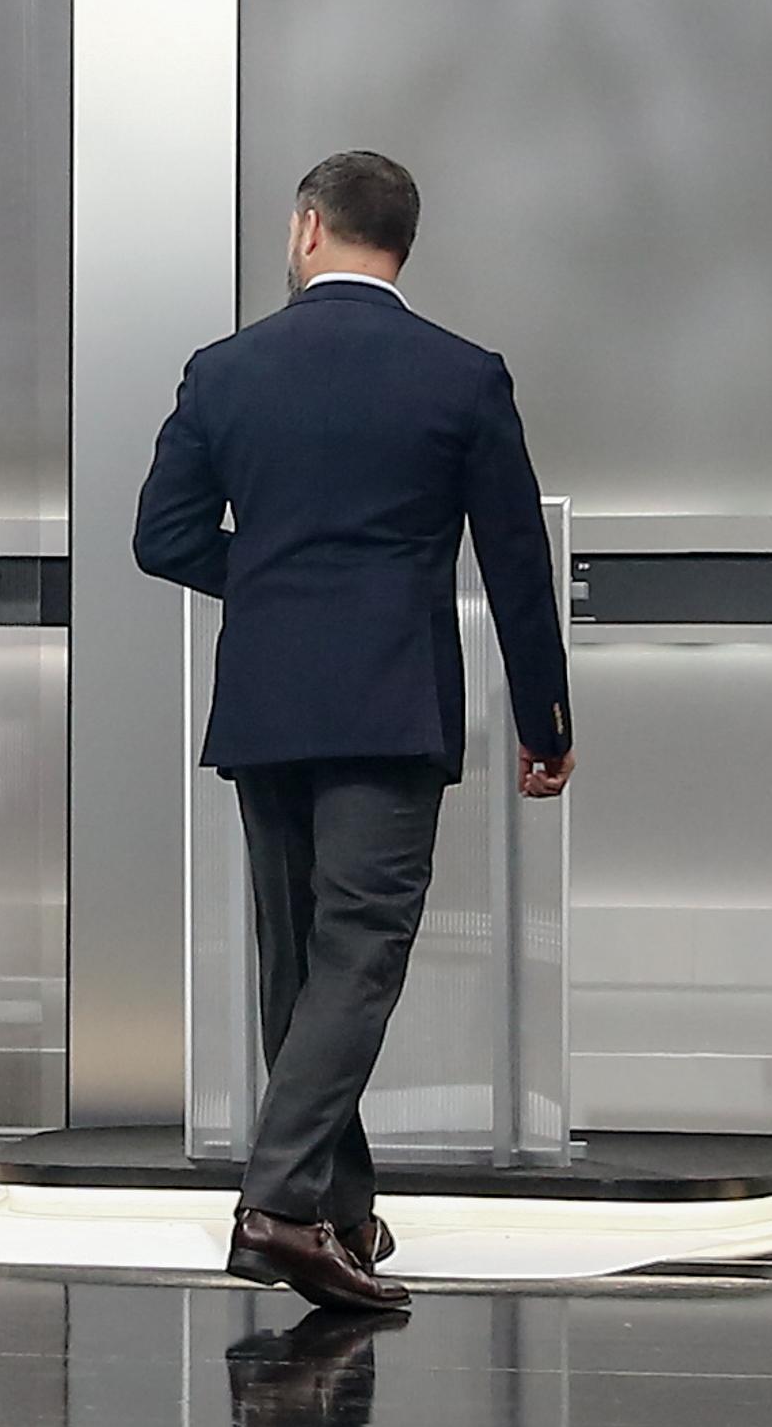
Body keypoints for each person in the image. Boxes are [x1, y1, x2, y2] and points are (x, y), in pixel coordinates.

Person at [133, 150, 572, 1315]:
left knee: (300, 964)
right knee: (359, 954)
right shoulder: (461, 376)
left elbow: (162, 536)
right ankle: (277, 1208)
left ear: (307, 228)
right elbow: (515, 566)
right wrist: (546, 720)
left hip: (267, 701)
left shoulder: (226, 369)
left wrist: (274, 586)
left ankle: (335, 1209)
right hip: (390, 701)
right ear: (401, 245)